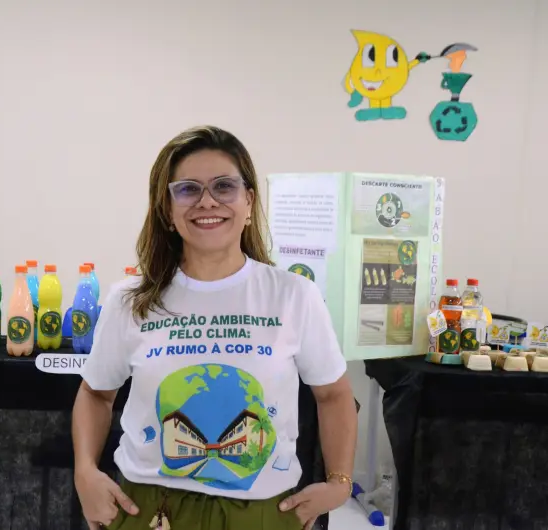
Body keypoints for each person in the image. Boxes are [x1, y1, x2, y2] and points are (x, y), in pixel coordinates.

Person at [72, 126, 357, 530]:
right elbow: (95, 394)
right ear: (167, 209)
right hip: (151, 509)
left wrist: (340, 483)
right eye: (188, 189)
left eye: (224, 186)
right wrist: (85, 472)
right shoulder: (130, 300)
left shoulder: (294, 296)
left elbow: (334, 395)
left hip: (262, 513)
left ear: (249, 201)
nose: (207, 201)